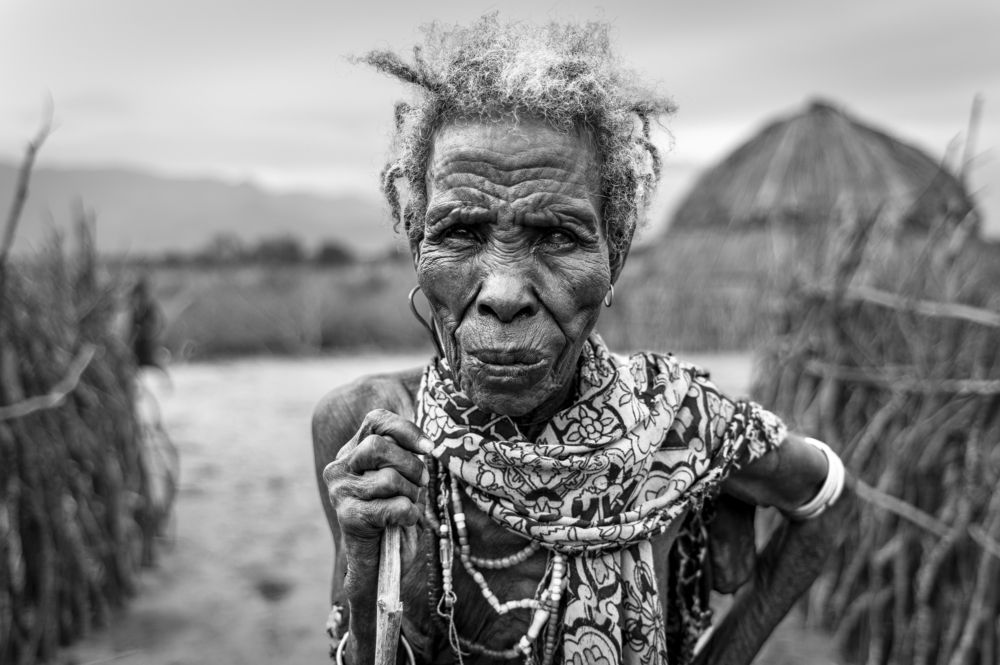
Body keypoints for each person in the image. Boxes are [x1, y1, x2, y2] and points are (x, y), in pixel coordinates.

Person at [313, 16, 851, 665]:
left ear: (614, 256)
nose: (504, 293)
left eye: (557, 236)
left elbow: (828, 501)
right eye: (460, 232)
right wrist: (365, 570)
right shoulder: (365, 433)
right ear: (415, 244)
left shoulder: (676, 423)